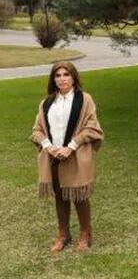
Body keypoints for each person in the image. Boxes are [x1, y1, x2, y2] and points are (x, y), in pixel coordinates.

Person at [30, 62, 104, 252]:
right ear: (53, 79)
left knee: (79, 195)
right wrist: (48, 146)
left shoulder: (84, 99)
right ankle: (63, 235)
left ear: (73, 78)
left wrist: (70, 146)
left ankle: (86, 234)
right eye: (58, 75)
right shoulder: (47, 103)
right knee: (60, 197)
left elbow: (92, 127)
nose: (62, 78)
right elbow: (37, 130)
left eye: (66, 74)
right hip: (53, 156)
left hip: (75, 154)